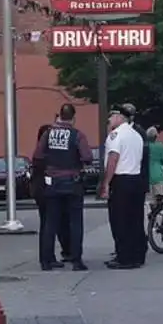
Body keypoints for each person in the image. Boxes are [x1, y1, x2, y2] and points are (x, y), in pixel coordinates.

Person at [32, 104, 92, 271]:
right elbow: (87, 157)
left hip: (52, 181)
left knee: (50, 222)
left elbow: (37, 155)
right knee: (75, 222)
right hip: (72, 182)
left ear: (59, 116)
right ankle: (76, 260)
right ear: (73, 118)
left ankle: (46, 261)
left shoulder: (48, 134)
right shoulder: (77, 135)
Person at [100, 105, 145, 269]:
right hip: (136, 180)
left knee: (119, 220)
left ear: (120, 117)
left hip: (121, 180)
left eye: (112, 116)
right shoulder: (137, 136)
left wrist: (106, 183)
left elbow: (113, 159)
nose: (109, 120)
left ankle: (123, 257)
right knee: (135, 219)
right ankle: (137, 255)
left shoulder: (116, 135)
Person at [30, 122, 71, 263]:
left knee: (47, 224)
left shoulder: (38, 153)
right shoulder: (47, 154)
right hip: (49, 191)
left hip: (40, 191)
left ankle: (47, 257)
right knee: (51, 224)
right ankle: (49, 257)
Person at [146, 127, 163, 210]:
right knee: (159, 197)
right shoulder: (160, 146)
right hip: (158, 174)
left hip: (147, 175)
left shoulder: (144, 146)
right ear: (156, 136)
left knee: (151, 199)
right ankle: (157, 213)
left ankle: (152, 214)